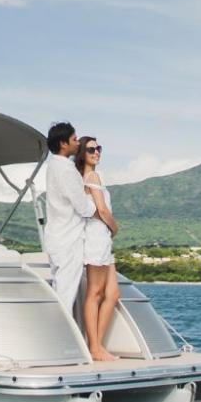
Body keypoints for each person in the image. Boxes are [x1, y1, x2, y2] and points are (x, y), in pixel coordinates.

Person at [38, 120, 96, 334]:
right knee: (66, 292)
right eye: (73, 140)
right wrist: (92, 198)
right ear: (63, 144)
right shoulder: (67, 170)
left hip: (55, 236)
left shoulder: (52, 166)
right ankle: (62, 338)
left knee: (59, 289)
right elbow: (83, 207)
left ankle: (57, 336)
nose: (77, 143)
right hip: (68, 239)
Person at [75, 136, 121, 362]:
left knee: (112, 294)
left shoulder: (93, 176)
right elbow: (102, 210)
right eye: (91, 149)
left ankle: (97, 345)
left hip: (103, 240)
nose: (96, 153)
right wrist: (115, 227)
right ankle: (94, 347)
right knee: (95, 293)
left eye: (98, 148)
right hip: (96, 237)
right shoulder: (91, 176)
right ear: (82, 153)